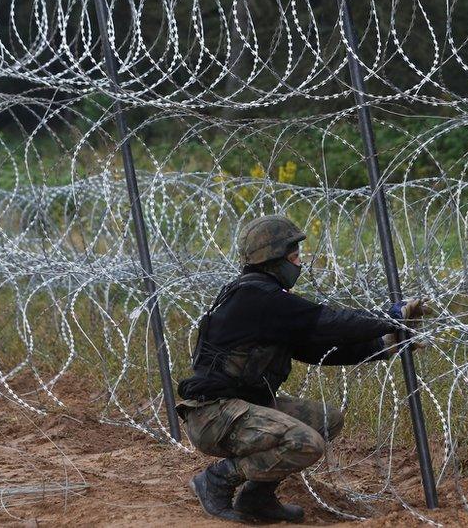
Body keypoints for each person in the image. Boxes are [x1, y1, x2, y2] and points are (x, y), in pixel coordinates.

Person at [176, 214, 427, 523]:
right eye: (294, 254)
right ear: (274, 258)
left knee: (327, 420)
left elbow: (318, 349)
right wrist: (391, 317)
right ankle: (215, 480)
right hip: (214, 415)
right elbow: (331, 323)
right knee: (306, 443)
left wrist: (387, 343)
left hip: (236, 409)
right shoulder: (258, 298)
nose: (299, 262)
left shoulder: (265, 301)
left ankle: (257, 498)